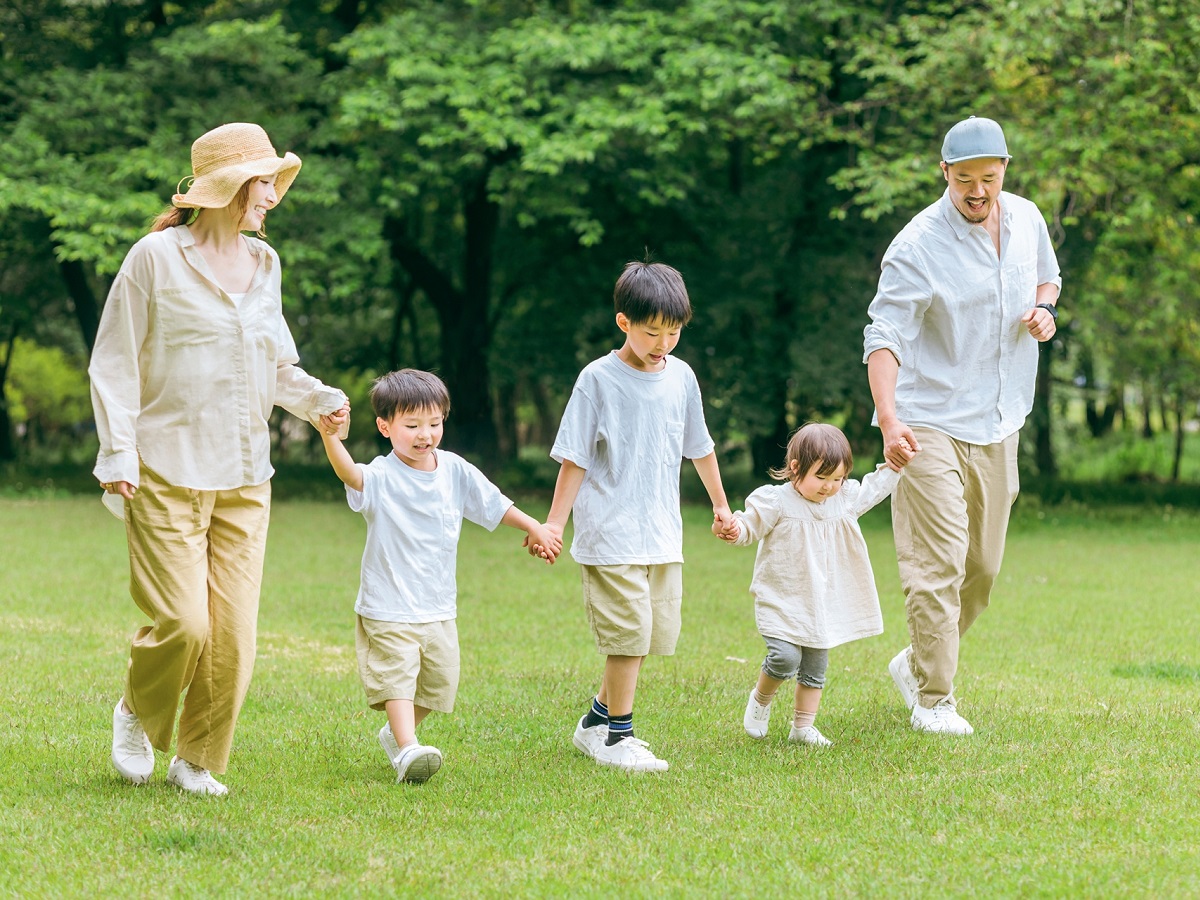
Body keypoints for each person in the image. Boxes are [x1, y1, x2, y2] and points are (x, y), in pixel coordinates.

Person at [90, 122, 350, 795]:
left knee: (232, 636)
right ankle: (136, 709)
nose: (272, 196)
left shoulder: (267, 265)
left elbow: (275, 363)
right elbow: (114, 361)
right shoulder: (153, 258)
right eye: (263, 182)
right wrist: (117, 452)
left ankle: (196, 759)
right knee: (184, 624)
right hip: (164, 470)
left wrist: (318, 400)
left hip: (245, 475)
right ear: (229, 187)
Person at [863, 115, 1062, 735]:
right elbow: (884, 335)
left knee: (984, 568)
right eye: (965, 179)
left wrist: (1045, 310)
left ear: (1004, 170)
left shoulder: (1027, 217)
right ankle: (934, 700)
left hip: (1000, 416)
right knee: (939, 563)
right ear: (945, 173)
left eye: (990, 178)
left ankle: (916, 661)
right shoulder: (917, 246)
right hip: (927, 418)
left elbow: (1047, 279)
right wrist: (889, 420)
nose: (978, 192)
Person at [319, 369, 562, 783]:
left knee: (440, 682)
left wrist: (533, 526)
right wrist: (330, 438)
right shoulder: (381, 474)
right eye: (412, 425)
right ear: (385, 427)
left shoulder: (453, 470)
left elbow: (492, 502)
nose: (425, 435)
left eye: (434, 424)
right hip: (389, 604)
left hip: (437, 605)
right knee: (398, 678)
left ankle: (397, 735)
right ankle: (407, 748)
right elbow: (350, 475)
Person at [544, 260, 733, 773]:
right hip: (611, 532)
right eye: (652, 332)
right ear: (624, 322)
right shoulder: (598, 380)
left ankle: (594, 722)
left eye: (674, 332)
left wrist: (720, 504)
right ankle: (617, 738)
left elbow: (700, 446)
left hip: (662, 533)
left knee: (645, 637)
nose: (663, 344)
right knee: (628, 637)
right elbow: (574, 458)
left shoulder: (682, 377)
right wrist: (555, 524)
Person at [715, 423, 903, 747]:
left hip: (820, 601)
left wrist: (896, 464)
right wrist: (735, 529)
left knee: (816, 668)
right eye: (822, 477)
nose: (829, 487)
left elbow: (874, 488)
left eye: (837, 479)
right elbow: (749, 525)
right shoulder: (777, 501)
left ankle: (803, 727)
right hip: (783, 598)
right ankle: (761, 699)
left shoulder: (844, 500)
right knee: (785, 658)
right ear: (795, 468)